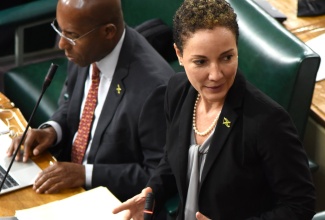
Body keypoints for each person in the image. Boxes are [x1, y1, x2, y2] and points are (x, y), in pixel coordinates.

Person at [112, 0, 316, 219]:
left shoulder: (268, 121)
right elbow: (172, 159)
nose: (216, 75)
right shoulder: (176, 91)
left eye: (226, 57)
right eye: (201, 62)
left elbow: (300, 206)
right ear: (179, 55)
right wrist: (152, 193)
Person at [7, 0, 175, 202]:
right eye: (60, 30)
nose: (62, 44)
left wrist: (84, 174)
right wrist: (51, 131)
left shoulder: (154, 89)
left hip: (108, 201)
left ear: (108, 32)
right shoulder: (87, 48)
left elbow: (158, 176)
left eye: (71, 36)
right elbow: (72, 102)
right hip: (65, 180)